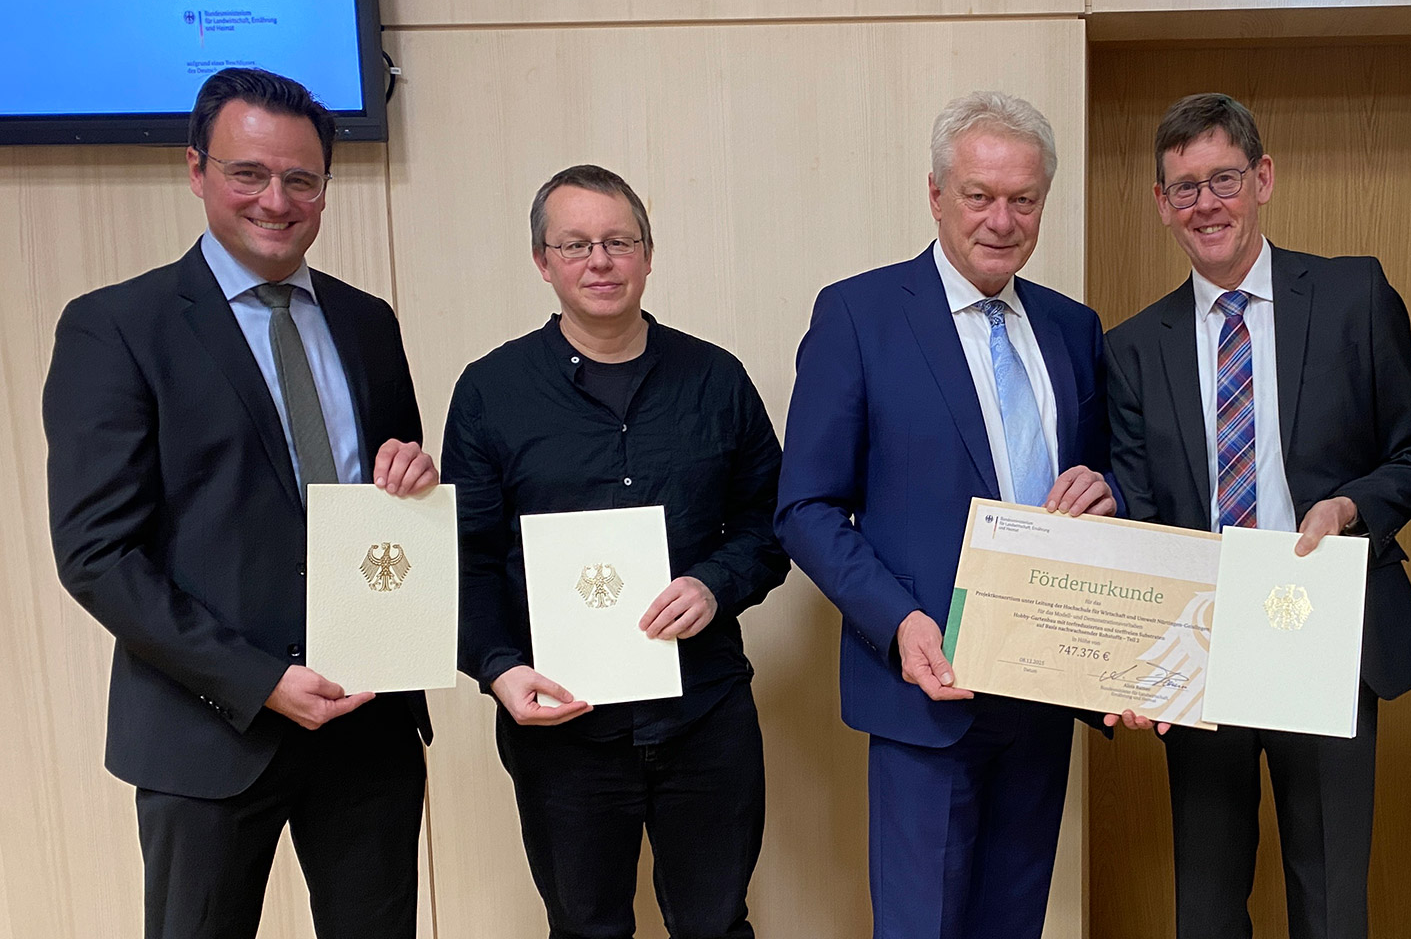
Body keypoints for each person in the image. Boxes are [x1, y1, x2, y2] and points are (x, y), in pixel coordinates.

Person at [42, 67, 440, 939]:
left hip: (365, 723)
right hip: (206, 731)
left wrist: (411, 478)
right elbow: (98, 555)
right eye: (248, 173)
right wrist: (260, 682)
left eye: (301, 179)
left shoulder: (368, 321)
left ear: (325, 189)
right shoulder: (116, 327)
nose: (276, 199)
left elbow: (390, 496)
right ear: (196, 169)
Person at [775, 91, 1119, 939]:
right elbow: (805, 508)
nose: (1001, 220)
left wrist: (1107, 494)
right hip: (925, 687)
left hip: (1044, 694)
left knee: (1015, 921)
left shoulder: (1074, 329)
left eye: (1023, 199)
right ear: (936, 195)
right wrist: (900, 623)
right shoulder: (858, 315)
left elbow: (1107, 481)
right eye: (979, 196)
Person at [1103, 92, 1411, 939]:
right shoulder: (1134, 347)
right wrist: (1137, 663)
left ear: (1263, 178)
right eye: (1184, 188)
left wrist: (1350, 505)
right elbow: (1140, 516)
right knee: (1207, 899)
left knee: (1329, 897)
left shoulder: (1353, 293)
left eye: (1224, 179)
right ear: (1160, 204)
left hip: (1327, 633)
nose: (1206, 204)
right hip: (1202, 644)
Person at [444, 164, 787, 939]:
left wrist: (714, 584)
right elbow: (466, 559)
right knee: (586, 929)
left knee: (716, 924)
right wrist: (497, 669)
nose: (599, 261)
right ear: (543, 262)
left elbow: (772, 524)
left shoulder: (717, 379)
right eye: (574, 245)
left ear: (648, 253)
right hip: (563, 727)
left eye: (617, 241)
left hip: (704, 715)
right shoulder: (490, 392)